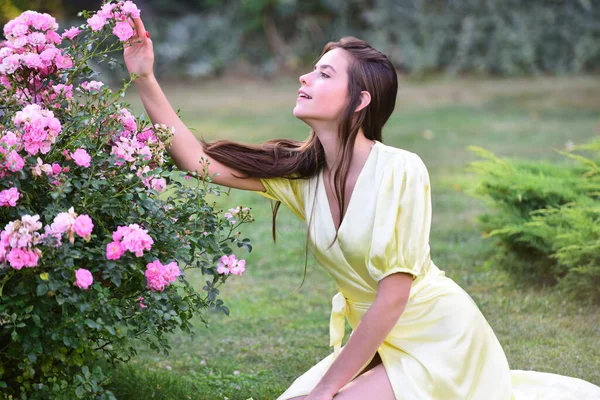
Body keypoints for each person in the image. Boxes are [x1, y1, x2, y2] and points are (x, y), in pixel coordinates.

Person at [123, 16, 600, 400]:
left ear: (360, 101)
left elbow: (393, 296)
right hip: (375, 340)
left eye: (325, 73)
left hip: (438, 340)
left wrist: (329, 388)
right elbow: (199, 163)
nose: (305, 76)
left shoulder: (402, 170)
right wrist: (144, 76)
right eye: (313, 68)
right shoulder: (301, 174)